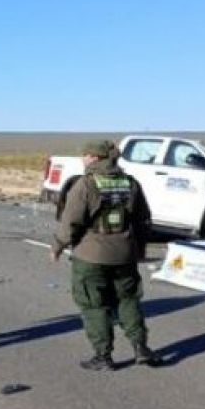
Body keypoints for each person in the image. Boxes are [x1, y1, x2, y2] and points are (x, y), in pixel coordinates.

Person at [50, 139, 161, 371]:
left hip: (91, 256)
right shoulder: (130, 184)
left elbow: (70, 221)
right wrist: (139, 248)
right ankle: (141, 347)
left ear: (94, 158)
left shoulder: (85, 185)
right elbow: (143, 220)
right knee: (128, 300)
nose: (82, 159)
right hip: (125, 254)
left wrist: (58, 246)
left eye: (85, 155)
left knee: (93, 304)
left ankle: (103, 355)